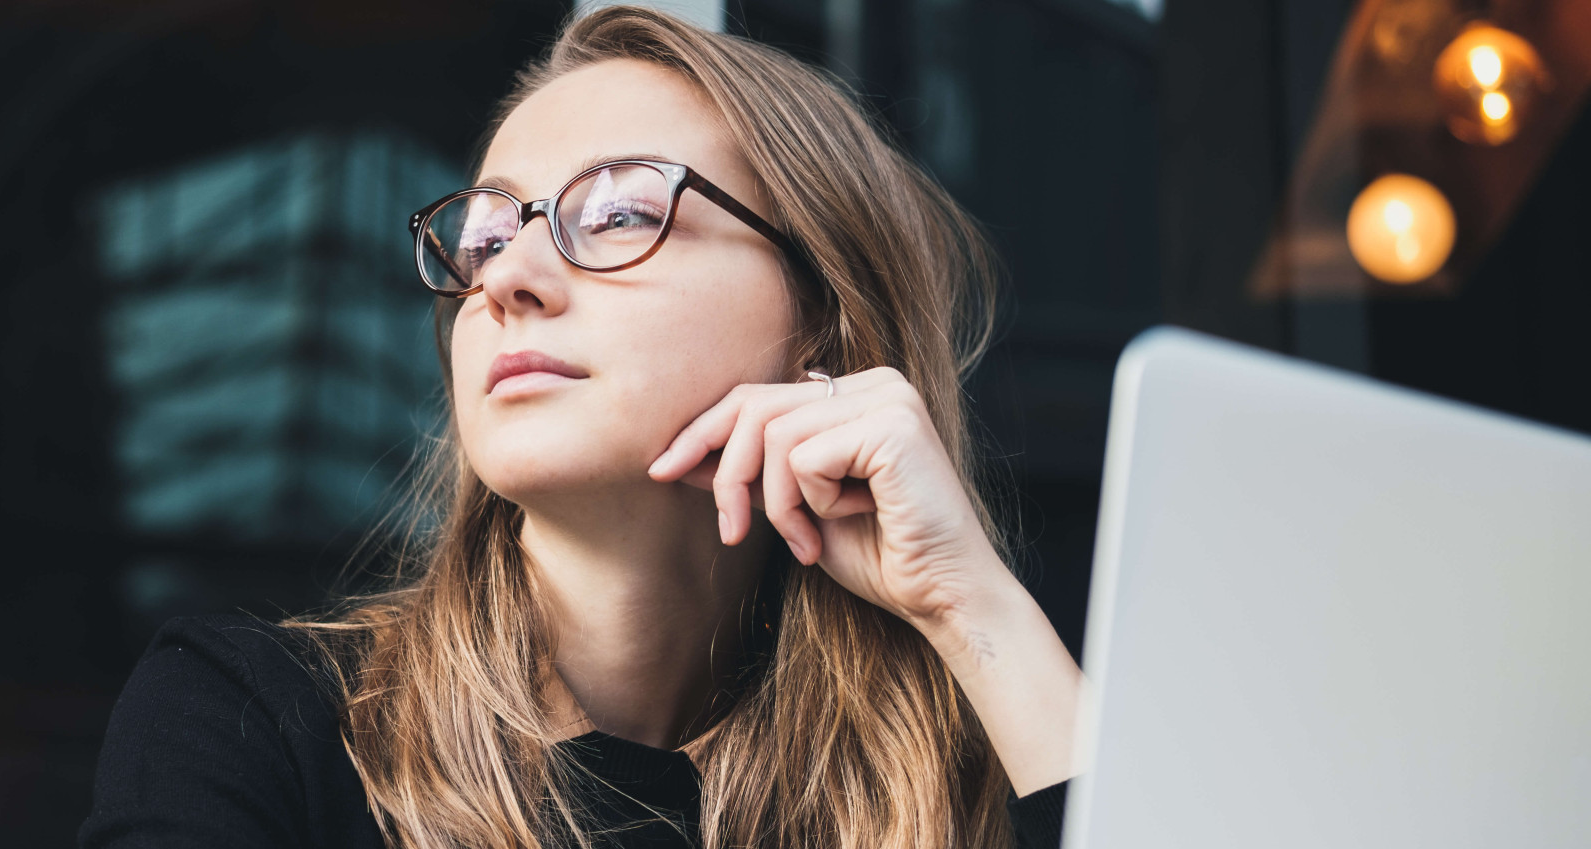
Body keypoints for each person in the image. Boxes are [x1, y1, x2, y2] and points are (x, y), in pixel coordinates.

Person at [81, 6, 1087, 848]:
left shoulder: (967, 777)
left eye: (614, 215)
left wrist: (972, 608)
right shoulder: (248, 724)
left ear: (818, 319)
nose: (506, 278)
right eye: (484, 234)